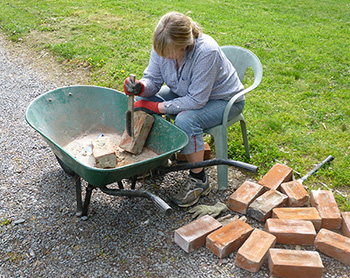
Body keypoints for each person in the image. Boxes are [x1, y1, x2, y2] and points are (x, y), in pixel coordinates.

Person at [123, 11, 244, 207]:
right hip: (186, 93)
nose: (164, 57)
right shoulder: (163, 45)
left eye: (169, 53)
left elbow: (196, 101)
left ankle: (199, 180)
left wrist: (157, 106)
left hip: (224, 101)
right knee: (140, 105)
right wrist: (141, 88)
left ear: (184, 44)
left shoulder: (207, 52)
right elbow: (153, 79)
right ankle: (157, 160)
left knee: (186, 120)